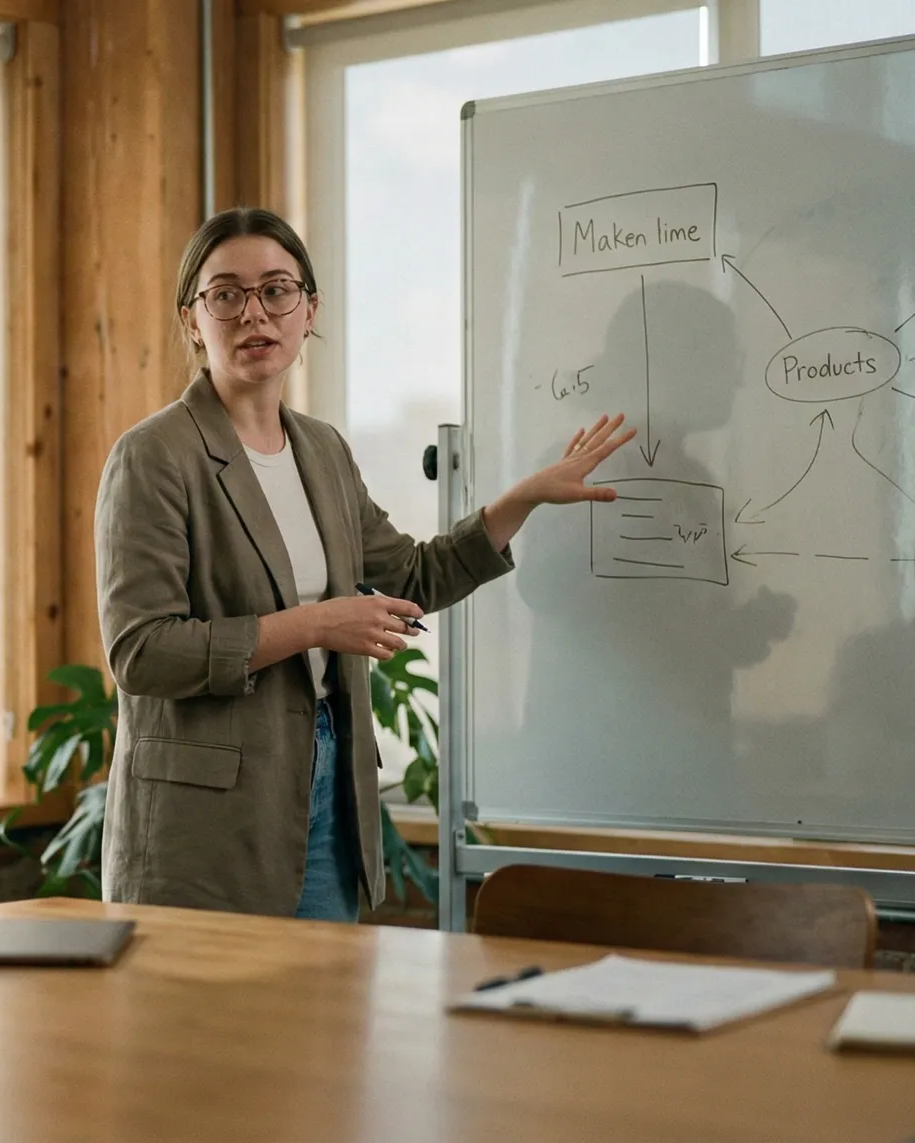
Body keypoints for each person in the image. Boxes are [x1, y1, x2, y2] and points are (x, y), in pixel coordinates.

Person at [95, 207, 635, 920]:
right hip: (209, 814)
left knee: (322, 1021)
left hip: (327, 785)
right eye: (225, 294)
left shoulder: (322, 449)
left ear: (309, 309)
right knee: (224, 1026)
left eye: (277, 289)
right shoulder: (154, 454)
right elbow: (142, 652)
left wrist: (524, 499)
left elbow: (412, 576)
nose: (254, 312)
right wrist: (316, 623)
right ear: (194, 320)